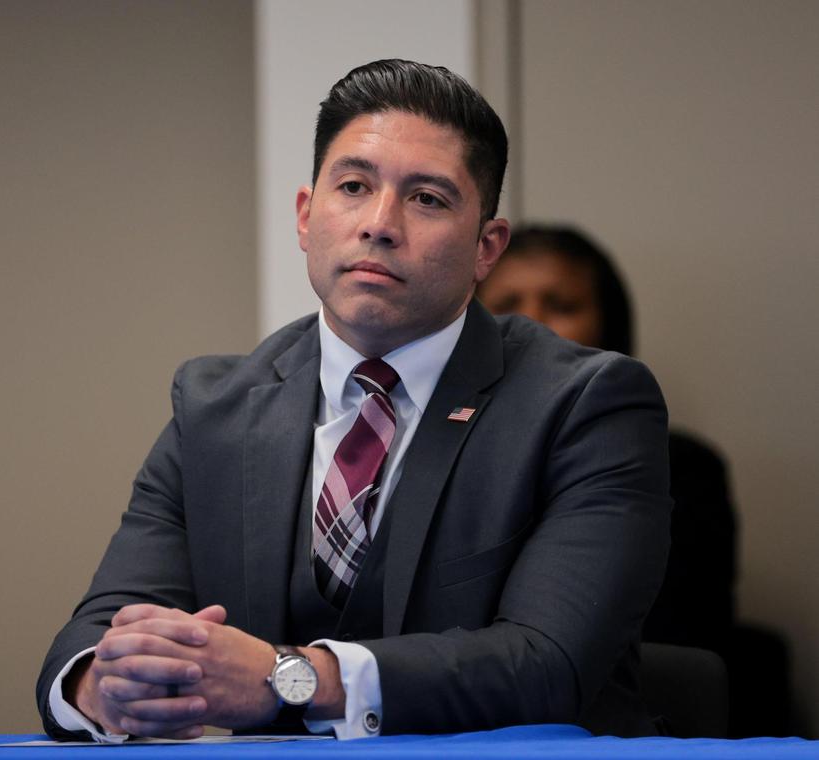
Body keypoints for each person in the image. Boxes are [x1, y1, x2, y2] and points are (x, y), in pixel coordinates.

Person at [37, 60, 671, 742]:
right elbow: (98, 629)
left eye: (427, 198)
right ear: (308, 217)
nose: (380, 223)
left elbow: (548, 664)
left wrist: (291, 677)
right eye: (353, 186)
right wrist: (105, 684)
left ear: (487, 247)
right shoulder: (212, 407)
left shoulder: (586, 405)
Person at [475, 225, 735, 650]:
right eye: (506, 304)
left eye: (561, 304)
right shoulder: (429, 451)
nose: (532, 322)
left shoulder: (683, 469)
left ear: (607, 325)